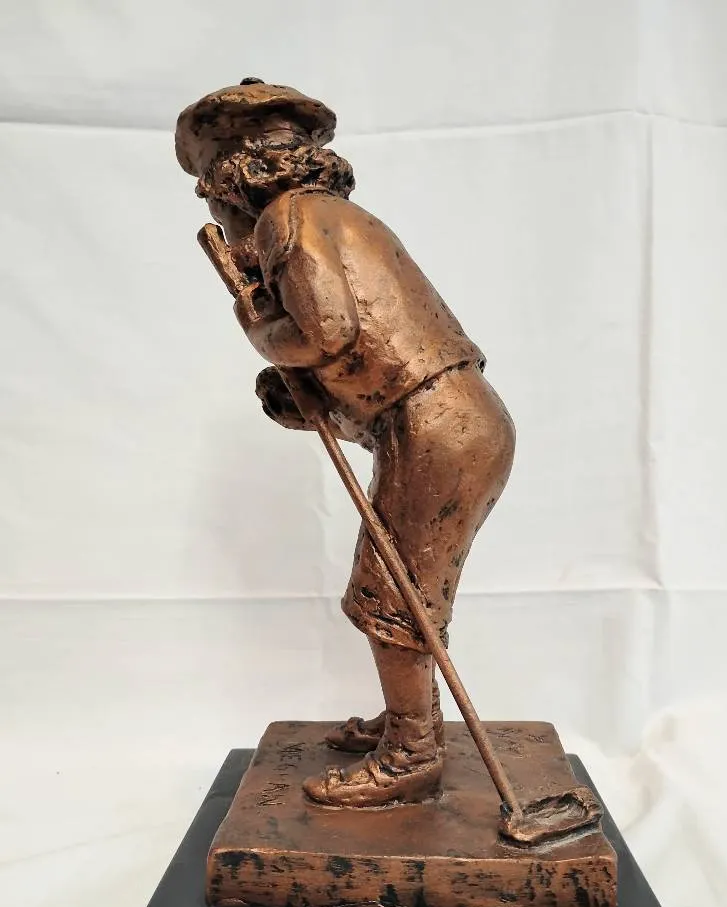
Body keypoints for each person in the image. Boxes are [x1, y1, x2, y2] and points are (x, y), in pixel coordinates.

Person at [177, 80, 515, 807]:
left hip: (437, 428)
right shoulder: (338, 217)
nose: (216, 218)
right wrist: (306, 402)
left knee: (391, 595)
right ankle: (411, 721)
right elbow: (374, 359)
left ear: (233, 183)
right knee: (404, 590)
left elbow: (325, 333)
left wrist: (260, 329)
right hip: (447, 421)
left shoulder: (286, 219)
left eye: (210, 197)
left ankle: (412, 753)